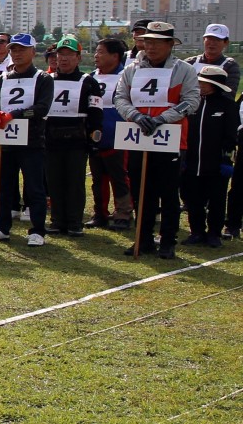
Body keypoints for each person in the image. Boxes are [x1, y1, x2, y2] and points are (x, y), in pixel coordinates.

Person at [113, 21, 200, 258]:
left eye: (158, 42)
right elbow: (120, 97)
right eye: (148, 41)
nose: (151, 47)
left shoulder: (184, 69)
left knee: (169, 192)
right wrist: (136, 116)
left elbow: (191, 100)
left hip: (170, 138)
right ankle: (143, 238)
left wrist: (162, 118)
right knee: (141, 190)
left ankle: (168, 241)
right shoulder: (131, 69)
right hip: (137, 136)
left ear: (171, 44)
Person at [0, 33, 53, 246]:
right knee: (3, 186)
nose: (17, 53)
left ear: (33, 52)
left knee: (34, 188)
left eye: (22, 49)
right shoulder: (2, 78)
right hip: (5, 140)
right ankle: (2, 227)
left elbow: (41, 109)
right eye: (13, 49)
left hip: (31, 141)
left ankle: (37, 230)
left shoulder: (43, 78)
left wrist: (14, 115)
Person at [39, 36, 100, 236]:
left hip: (77, 138)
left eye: (69, 55)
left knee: (74, 182)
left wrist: (93, 138)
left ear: (78, 58)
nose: (63, 59)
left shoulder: (89, 81)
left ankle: (74, 222)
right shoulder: (46, 80)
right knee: (53, 181)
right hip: (51, 138)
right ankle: (57, 220)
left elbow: (96, 113)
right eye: (60, 54)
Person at [181, 65, 238, 247]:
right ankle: (196, 232)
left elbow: (231, 136)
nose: (200, 85)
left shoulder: (227, 105)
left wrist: (225, 159)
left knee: (217, 200)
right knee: (193, 198)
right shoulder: (192, 103)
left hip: (216, 164)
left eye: (204, 82)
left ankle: (214, 233)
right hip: (192, 162)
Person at [87, 37, 132, 231]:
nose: (96, 56)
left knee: (119, 177)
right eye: (96, 51)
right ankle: (100, 213)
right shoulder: (91, 76)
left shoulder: (127, 76)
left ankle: (123, 213)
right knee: (98, 178)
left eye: (101, 52)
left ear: (115, 56)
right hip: (95, 136)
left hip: (118, 136)